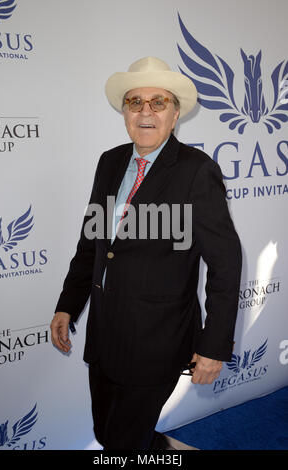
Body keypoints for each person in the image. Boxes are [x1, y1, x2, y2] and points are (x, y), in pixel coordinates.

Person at [50, 57, 242, 450]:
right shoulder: (109, 162)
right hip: (105, 334)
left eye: (158, 102)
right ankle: (165, 448)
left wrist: (212, 345)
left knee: (122, 443)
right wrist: (68, 305)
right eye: (135, 102)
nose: (145, 112)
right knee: (108, 434)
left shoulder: (196, 170)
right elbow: (94, 244)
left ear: (175, 115)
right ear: (125, 112)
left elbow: (226, 263)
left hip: (159, 340)